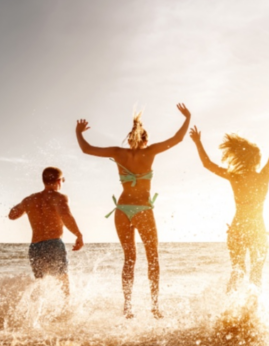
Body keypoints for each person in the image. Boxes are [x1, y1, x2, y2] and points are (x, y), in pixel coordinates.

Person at [76, 104, 191, 319]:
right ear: (145, 140)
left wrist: (78, 133)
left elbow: (86, 149)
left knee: (129, 258)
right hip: (143, 210)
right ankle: (155, 307)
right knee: (152, 258)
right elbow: (177, 139)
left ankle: (127, 306)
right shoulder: (150, 151)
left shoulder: (118, 153)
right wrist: (187, 117)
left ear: (129, 140)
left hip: (122, 210)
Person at [190, 101, 269, 292]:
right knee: (256, 275)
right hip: (258, 230)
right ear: (257, 160)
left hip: (237, 229)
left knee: (237, 271)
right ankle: (251, 316)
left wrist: (198, 142)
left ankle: (228, 313)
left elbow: (207, 164)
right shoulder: (264, 175)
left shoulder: (234, 177)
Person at [8, 167, 83, 297]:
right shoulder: (59, 197)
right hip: (53, 244)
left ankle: (39, 313)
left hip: (35, 247)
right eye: (63, 180)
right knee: (63, 283)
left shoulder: (29, 199)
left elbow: (12, 215)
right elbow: (66, 216)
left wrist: (26, 205)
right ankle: (66, 312)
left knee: (40, 284)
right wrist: (79, 235)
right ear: (59, 181)